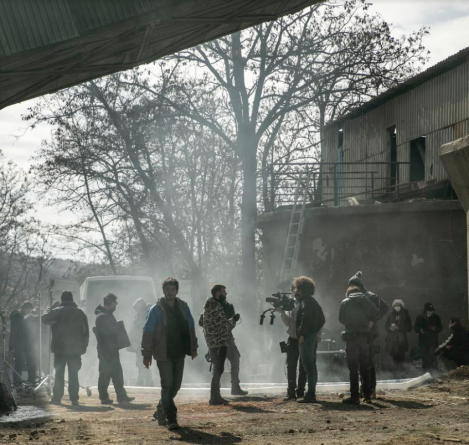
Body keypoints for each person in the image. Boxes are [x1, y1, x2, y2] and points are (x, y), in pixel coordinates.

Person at [142, 277, 198, 431]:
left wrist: (193, 347)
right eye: (167, 289)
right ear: (163, 291)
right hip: (163, 353)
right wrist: (147, 354)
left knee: (176, 386)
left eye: (172, 289)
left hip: (179, 351)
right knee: (167, 386)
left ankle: (161, 409)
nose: (170, 292)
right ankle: (171, 417)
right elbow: (148, 332)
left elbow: (191, 327)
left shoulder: (184, 307)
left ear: (177, 291)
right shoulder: (156, 310)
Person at [41, 291, 89, 406]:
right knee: (74, 374)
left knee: (59, 374)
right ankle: (74, 399)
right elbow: (86, 332)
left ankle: (57, 398)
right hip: (75, 350)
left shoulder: (58, 311)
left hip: (60, 349)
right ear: (72, 300)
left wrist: (51, 308)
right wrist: (84, 347)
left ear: (62, 300)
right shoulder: (81, 313)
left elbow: (44, 319)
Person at [199, 289, 247, 397]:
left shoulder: (207, 306)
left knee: (218, 364)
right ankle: (231, 388)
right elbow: (225, 326)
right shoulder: (219, 306)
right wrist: (232, 320)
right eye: (224, 292)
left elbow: (201, 322)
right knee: (226, 362)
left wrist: (211, 330)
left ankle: (219, 391)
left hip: (215, 340)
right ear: (218, 293)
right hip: (224, 339)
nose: (226, 294)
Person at [348, 271, 389, 399]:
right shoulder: (353, 297)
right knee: (361, 362)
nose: (351, 288)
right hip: (358, 333)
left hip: (369, 333)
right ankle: (364, 387)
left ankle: (371, 389)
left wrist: (372, 320)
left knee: (368, 361)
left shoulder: (370, 296)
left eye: (353, 285)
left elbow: (385, 308)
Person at [339, 281, 379, 404]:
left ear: (348, 293)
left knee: (353, 368)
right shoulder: (367, 301)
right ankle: (367, 395)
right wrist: (370, 322)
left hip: (351, 338)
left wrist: (351, 323)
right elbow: (376, 313)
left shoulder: (345, 302)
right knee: (364, 367)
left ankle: (354, 396)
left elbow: (341, 319)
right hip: (365, 338)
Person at [94, 293, 135, 405]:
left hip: (111, 349)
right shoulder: (102, 316)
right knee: (105, 374)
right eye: (115, 303)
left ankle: (121, 396)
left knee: (117, 374)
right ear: (112, 303)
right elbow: (107, 333)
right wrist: (118, 328)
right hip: (106, 351)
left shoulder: (106, 315)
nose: (116, 305)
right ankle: (104, 397)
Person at [292, 276, 325, 404]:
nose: (295, 290)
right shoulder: (313, 301)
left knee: (308, 366)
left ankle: (310, 394)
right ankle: (311, 393)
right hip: (312, 336)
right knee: (312, 366)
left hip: (306, 337)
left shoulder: (305, 302)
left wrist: (302, 334)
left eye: (296, 288)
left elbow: (305, 318)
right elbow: (322, 319)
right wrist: (315, 332)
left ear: (301, 289)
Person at [276, 294, 307, 401]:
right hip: (292, 339)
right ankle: (291, 392)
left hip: (303, 339)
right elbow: (287, 323)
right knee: (291, 366)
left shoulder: (305, 304)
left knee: (303, 367)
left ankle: (300, 392)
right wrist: (281, 312)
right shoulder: (291, 305)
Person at [384, 299, 412, 378]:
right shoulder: (391, 315)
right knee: (394, 357)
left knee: (401, 357)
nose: (397, 307)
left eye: (399, 305)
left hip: (401, 340)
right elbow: (386, 326)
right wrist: (390, 328)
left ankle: (403, 374)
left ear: (401, 306)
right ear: (393, 306)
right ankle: (396, 374)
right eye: (396, 305)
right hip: (392, 340)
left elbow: (409, 328)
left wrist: (399, 328)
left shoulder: (405, 315)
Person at [130, 298, 153, 387]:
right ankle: (143, 380)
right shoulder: (141, 315)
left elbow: (141, 330)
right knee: (140, 362)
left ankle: (146, 380)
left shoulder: (144, 315)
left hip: (142, 344)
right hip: (140, 343)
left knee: (142, 362)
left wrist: (138, 342)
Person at [9, 302, 34, 384]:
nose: (29, 312)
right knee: (20, 363)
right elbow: (15, 331)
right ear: (24, 308)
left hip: (22, 343)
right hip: (19, 344)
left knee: (21, 362)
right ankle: (17, 382)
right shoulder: (18, 316)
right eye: (28, 310)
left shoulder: (20, 316)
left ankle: (19, 381)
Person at [414, 302, 443, 374]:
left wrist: (435, 328)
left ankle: (435, 373)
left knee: (433, 357)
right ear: (425, 310)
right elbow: (415, 328)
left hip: (433, 341)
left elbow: (440, 328)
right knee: (424, 357)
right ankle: (426, 373)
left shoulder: (436, 317)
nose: (430, 312)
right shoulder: (419, 317)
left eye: (431, 310)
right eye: (429, 310)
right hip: (423, 341)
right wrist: (419, 329)